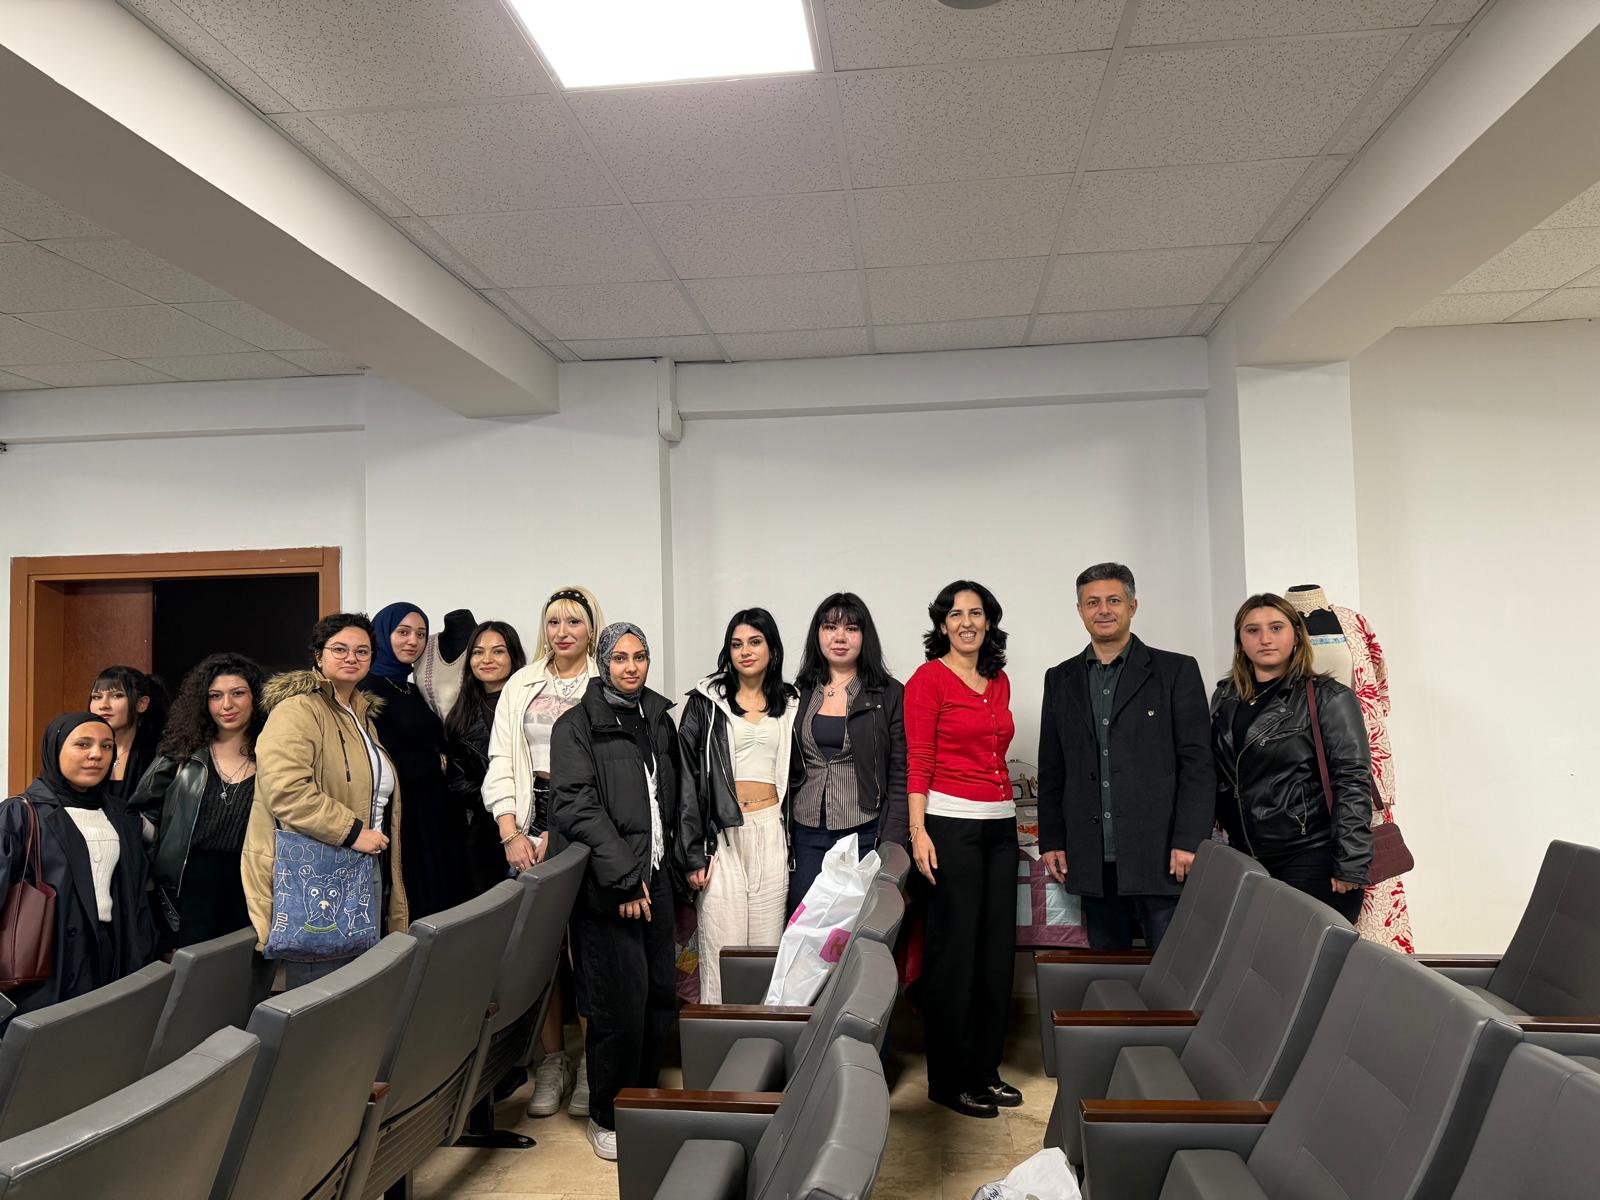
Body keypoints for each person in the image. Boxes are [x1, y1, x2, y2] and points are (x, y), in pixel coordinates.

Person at [551, 622, 681, 1162]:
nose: (631, 667)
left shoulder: (657, 717)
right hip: (610, 886)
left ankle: (641, 1101)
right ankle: (607, 1115)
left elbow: (674, 795)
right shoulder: (575, 726)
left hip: (657, 877)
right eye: (621, 658)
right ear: (603, 663)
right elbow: (577, 807)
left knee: (658, 998)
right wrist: (626, 879)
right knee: (617, 1007)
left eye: (640, 656)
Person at [1036, 563, 1215, 952]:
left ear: (1133, 606)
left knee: (1172, 966)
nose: (1103, 610)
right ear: (1080, 611)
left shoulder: (1176, 671)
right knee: (1108, 968)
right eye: (1093, 602)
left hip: (1162, 853)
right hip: (1092, 856)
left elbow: (1198, 765)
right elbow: (1052, 769)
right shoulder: (1059, 678)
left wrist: (1190, 840)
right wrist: (1052, 839)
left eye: (1114, 600)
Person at [483, 585, 605, 1119]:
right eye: (554, 621)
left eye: (574, 621)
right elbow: (501, 761)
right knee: (542, 949)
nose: (562, 631)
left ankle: (595, 1064)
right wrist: (511, 832)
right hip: (529, 817)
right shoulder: (523, 682)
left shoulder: (605, 679)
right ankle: (554, 1060)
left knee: (588, 948)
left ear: (591, 627)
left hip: (585, 819)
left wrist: (566, 826)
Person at [243, 613, 408, 987]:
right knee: (318, 992)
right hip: (316, 869)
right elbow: (287, 791)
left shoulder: (360, 715)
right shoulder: (297, 710)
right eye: (339, 649)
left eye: (362, 651)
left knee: (357, 986)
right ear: (318, 655)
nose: (351, 657)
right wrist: (353, 832)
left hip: (360, 864)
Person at [906, 580, 1018, 1119]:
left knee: (995, 954)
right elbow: (919, 760)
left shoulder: (998, 680)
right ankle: (950, 1080)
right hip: (950, 826)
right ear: (942, 624)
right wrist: (918, 831)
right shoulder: (928, 679)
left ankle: (984, 1071)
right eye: (955, 614)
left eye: (976, 613)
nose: (966, 622)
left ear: (988, 622)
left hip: (1001, 827)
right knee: (954, 955)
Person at [1210, 594, 1374, 923]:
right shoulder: (1225, 697)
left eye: (1276, 628)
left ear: (1296, 636)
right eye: (1252, 630)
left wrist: (1351, 862)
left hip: (1312, 854)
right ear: (1240, 642)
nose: (1265, 638)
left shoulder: (1329, 697)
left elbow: (1352, 780)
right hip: (1247, 857)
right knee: (1258, 951)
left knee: (1305, 952)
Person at [0, 713, 157, 1020]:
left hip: (111, 952)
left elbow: (137, 892)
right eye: (83, 744)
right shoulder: (20, 813)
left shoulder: (122, 816)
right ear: (55, 749)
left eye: (106, 746)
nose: (96, 754)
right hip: (47, 957)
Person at [677, 607, 798, 1005]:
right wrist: (693, 853)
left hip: (770, 832)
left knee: (766, 953)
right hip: (722, 838)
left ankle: (761, 1040)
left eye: (755, 642)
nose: (745, 651)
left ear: (772, 649)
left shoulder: (792, 703)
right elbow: (688, 779)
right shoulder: (706, 703)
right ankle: (717, 1040)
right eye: (736, 644)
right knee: (720, 952)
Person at [131, 653, 265, 951]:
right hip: (188, 884)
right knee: (190, 972)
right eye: (215, 696)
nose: (226, 705)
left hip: (252, 883)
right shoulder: (181, 754)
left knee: (243, 971)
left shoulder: (274, 756)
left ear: (255, 697)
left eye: (238, 693)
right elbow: (140, 816)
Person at [786, 592, 908, 916]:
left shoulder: (888, 693)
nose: (839, 637)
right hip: (806, 831)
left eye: (851, 628)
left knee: (855, 928)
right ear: (818, 635)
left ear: (865, 637)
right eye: (830, 627)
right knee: (804, 925)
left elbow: (900, 772)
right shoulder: (799, 692)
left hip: (864, 831)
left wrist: (892, 842)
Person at [362, 602, 469, 920]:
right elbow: (383, 760)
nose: (413, 641)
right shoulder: (368, 689)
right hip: (405, 815)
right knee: (417, 903)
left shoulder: (410, 687)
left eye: (421, 634)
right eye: (403, 632)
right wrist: (439, 764)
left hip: (437, 810)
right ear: (382, 635)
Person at [443, 621, 528, 896]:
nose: (487, 659)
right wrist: (499, 798)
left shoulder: (534, 705)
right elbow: (457, 782)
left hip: (538, 822)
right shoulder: (461, 715)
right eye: (478, 652)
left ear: (513, 656)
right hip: (486, 832)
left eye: (498, 651)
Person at [88, 666, 167, 802]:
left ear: (141, 703)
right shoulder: (82, 752)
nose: (103, 705)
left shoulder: (160, 757)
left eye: (117, 695)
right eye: (96, 697)